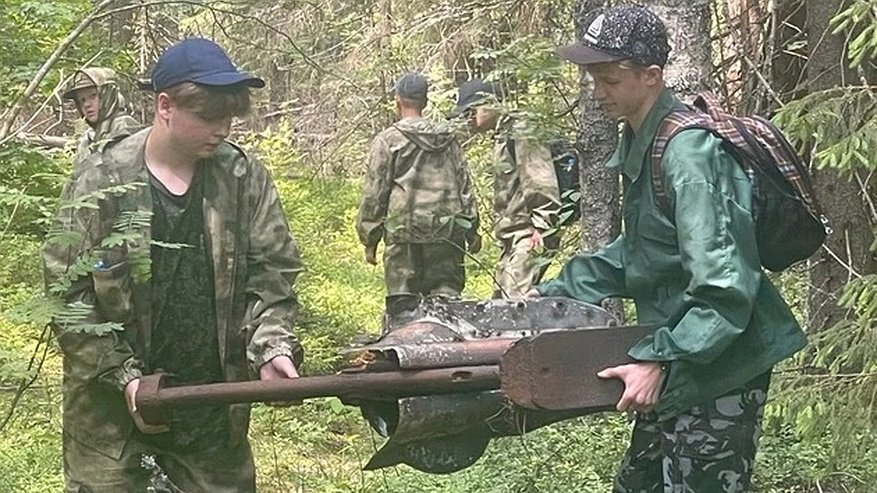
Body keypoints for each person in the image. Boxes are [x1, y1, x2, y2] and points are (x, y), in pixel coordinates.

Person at [532, 5, 807, 492]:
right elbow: (642, 252)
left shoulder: (689, 155)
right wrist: (549, 298)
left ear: (651, 76)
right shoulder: (646, 137)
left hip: (721, 369)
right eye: (592, 77)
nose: (596, 93)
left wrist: (659, 360)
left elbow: (725, 288)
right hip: (680, 362)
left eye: (609, 79)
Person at [43, 38, 304, 493]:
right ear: (165, 105)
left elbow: (273, 274)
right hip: (110, 424)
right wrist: (123, 376)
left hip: (211, 411)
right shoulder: (102, 180)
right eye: (208, 116)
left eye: (229, 117)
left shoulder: (242, 178)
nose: (222, 129)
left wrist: (271, 346)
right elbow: (69, 295)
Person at [356, 71, 480, 310]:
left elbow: (375, 192)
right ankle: (447, 345)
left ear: (398, 100)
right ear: (425, 101)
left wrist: (369, 237)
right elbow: (464, 184)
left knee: (403, 303)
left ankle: (405, 345)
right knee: (447, 301)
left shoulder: (388, 140)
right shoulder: (447, 138)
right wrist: (472, 229)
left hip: (403, 232)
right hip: (447, 230)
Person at [450, 79, 561, 298]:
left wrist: (542, 226)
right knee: (501, 303)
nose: (469, 119)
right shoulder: (504, 134)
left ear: (491, 103)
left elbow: (540, 178)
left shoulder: (521, 129)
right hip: (513, 239)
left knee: (515, 307)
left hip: (529, 236)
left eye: (473, 111)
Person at [62, 67, 140, 171]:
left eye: (93, 96)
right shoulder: (87, 138)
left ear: (108, 95)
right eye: (82, 100)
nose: (86, 104)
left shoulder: (125, 126)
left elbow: (129, 175)